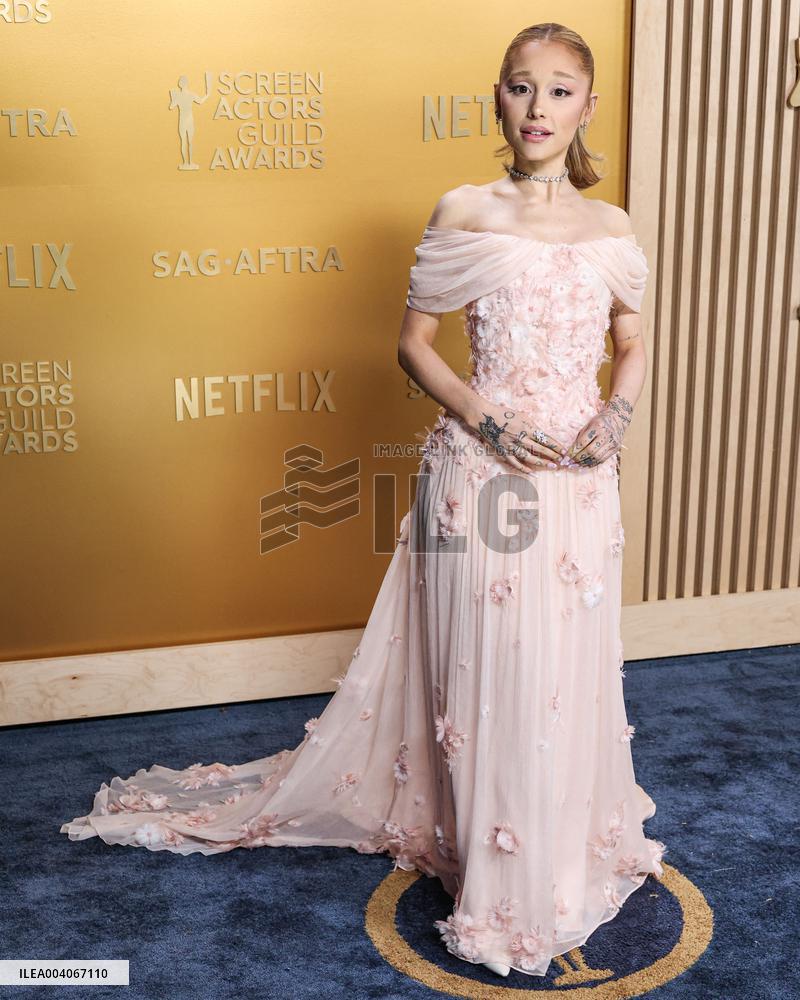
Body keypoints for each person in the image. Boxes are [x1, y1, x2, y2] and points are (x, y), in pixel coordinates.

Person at [60, 21, 666, 981]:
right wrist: (489, 421)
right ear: (497, 102)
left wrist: (619, 412)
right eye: (520, 88)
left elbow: (632, 337)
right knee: (495, 666)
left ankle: (555, 838)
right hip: (483, 468)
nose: (538, 107)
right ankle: (499, 870)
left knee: (565, 663)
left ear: (588, 108)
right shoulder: (466, 208)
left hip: (584, 479)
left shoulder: (614, 227)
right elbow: (414, 344)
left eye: (559, 91)